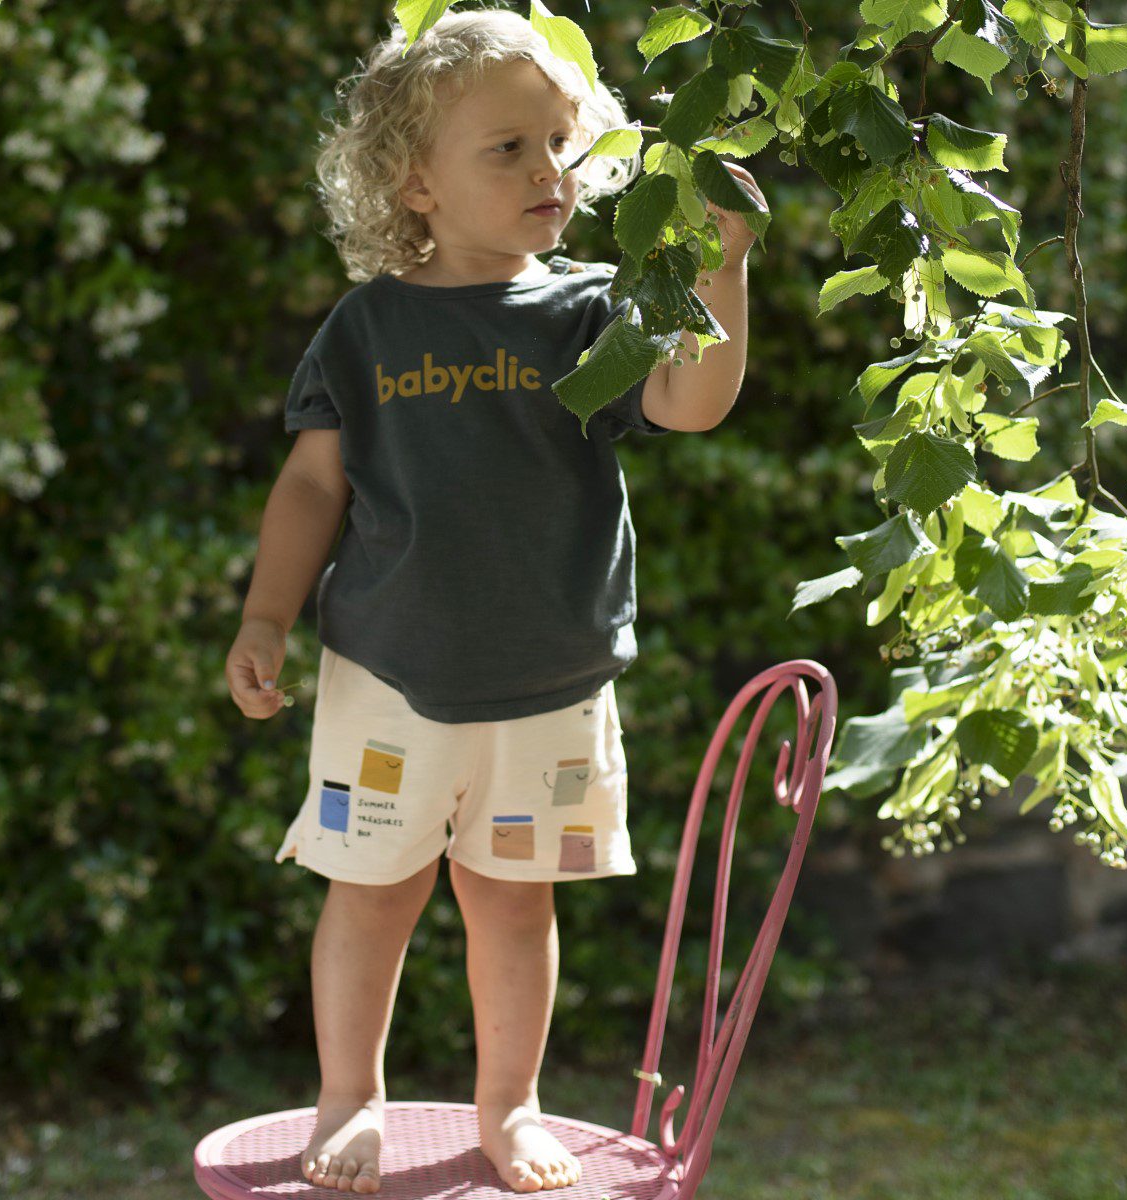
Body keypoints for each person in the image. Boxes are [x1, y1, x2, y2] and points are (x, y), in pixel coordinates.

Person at [224, 5, 759, 1194]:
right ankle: (350, 1094)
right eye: (506, 147)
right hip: (385, 678)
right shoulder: (366, 328)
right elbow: (313, 482)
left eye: (561, 143)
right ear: (413, 183)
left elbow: (689, 404)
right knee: (370, 899)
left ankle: (509, 1107)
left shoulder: (589, 311)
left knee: (515, 911)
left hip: (549, 683)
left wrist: (721, 268)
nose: (548, 170)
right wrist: (265, 618)